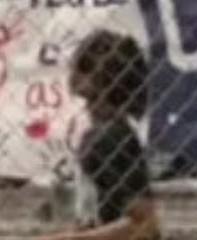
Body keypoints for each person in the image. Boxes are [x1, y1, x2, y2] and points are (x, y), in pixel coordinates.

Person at [36, 31, 158, 240]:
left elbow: (145, 224)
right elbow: (93, 217)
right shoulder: (97, 135)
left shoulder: (113, 137)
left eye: (82, 69)